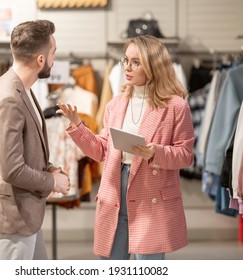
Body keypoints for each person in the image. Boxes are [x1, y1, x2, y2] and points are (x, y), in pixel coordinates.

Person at [57, 35, 195, 260]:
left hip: (150, 191)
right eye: (126, 61)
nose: (127, 68)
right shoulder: (116, 103)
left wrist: (155, 152)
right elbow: (101, 150)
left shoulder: (176, 107)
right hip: (114, 188)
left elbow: (186, 155)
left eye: (136, 62)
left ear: (153, 66)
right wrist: (77, 126)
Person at [0, 19, 70, 260]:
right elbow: (12, 169)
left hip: (24, 211)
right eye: (53, 53)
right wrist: (52, 181)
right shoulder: (9, 97)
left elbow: (20, 150)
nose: (54, 59)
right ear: (40, 59)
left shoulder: (19, 88)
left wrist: (48, 168)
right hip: (13, 213)